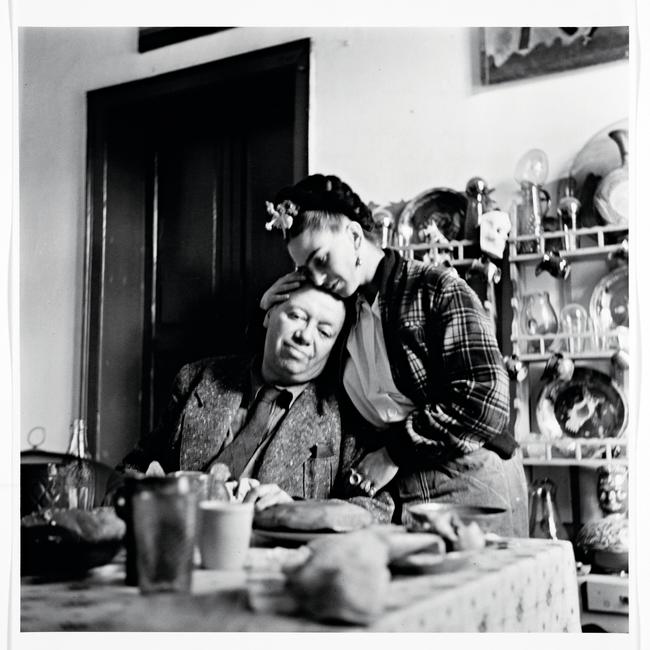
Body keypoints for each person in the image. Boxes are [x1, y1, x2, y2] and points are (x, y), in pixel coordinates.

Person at [262, 174, 528, 536]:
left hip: (471, 480)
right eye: (305, 271)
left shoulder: (436, 288)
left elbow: (486, 399)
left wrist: (393, 453)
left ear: (355, 236)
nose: (319, 279)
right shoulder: (342, 315)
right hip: (393, 495)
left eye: (321, 259)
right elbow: (287, 367)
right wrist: (268, 308)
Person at [117, 283, 393, 521]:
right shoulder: (197, 379)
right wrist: (156, 493)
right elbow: (133, 469)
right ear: (269, 314)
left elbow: (379, 509)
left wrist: (298, 511)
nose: (305, 336)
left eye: (324, 332)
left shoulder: (345, 409)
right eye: (296, 316)